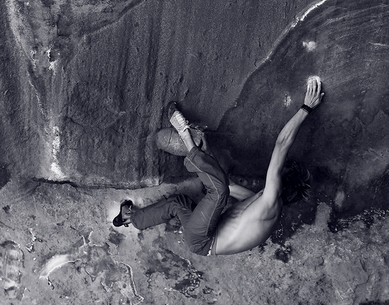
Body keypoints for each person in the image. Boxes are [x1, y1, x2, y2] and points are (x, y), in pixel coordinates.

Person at [113, 77, 324, 256]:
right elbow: (229, 185)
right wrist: (207, 152)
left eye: (278, 175)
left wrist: (306, 108)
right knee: (178, 204)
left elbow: (282, 145)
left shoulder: (270, 204)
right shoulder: (261, 200)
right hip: (199, 236)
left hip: (203, 239)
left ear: (281, 184)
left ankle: (184, 134)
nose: (272, 176)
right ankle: (132, 219)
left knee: (218, 191)